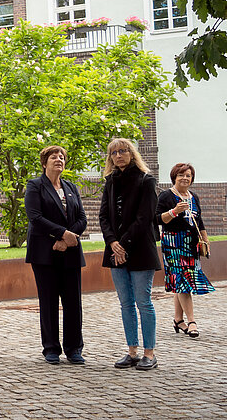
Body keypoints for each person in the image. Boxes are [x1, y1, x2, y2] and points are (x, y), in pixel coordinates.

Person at [99, 137, 160, 371]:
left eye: (123, 151)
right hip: (115, 251)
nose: (118, 156)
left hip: (140, 250)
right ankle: (132, 351)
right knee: (125, 303)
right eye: (113, 153)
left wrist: (123, 244)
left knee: (143, 302)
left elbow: (145, 218)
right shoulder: (110, 182)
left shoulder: (146, 180)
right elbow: (103, 216)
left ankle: (149, 353)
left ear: (132, 154)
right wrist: (113, 242)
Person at [25, 145, 87, 365]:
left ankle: (74, 349)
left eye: (62, 157)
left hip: (70, 252)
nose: (59, 160)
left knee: (73, 302)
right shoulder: (35, 186)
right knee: (49, 301)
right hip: (45, 253)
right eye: (54, 157)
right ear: (44, 163)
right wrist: (61, 235)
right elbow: (35, 217)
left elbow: (81, 217)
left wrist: (68, 239)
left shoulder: (71, 187)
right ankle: (51, 348)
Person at [157, 162, 215, 338]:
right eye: (181, 175)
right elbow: (158, 219)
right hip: (173, 243)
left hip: (191, 244)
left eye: (188, 175)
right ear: (174, 176)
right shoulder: (166, 196)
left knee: (182, 282)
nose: (185, 178)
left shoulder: (193, 197)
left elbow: (200, 221)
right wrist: (174, 211)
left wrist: (205, 240)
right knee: (183, 282)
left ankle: (177, 319)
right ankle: (192, 322)